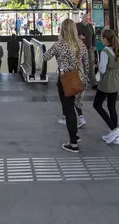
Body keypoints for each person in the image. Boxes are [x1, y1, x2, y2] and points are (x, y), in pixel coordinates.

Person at [44, 19, 89, 153]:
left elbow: (46, 57)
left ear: (62, 30)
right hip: (79, 79)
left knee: (68, 109)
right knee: (74, 108)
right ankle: (75, 134)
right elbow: (87, 62)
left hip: (66, 80)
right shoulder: (80, 44)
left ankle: (73, 144)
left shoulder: (59, 45)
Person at [94, 28, 119, 145]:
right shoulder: (117, 50)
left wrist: (97, 65)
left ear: (105, 40)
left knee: (97, 105)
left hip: (107, 82)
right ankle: (115, 136)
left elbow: (102, 69)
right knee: (112, 107)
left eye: (101, 38)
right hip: (116, 80)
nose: (101, 39)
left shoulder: (104, 52)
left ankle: (115, 130)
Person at [77, 14, 98, 89]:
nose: (87, 21)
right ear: (82, 19)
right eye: (86, 19)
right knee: (79, 66)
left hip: (89, 49)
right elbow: (72, 36)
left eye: (88, 19)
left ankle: (93, 83)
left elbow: (93, 36)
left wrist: (94, 45)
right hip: (79, 49)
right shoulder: (77, 26)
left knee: (90, 66)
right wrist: (78, 37)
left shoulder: (90, 26)